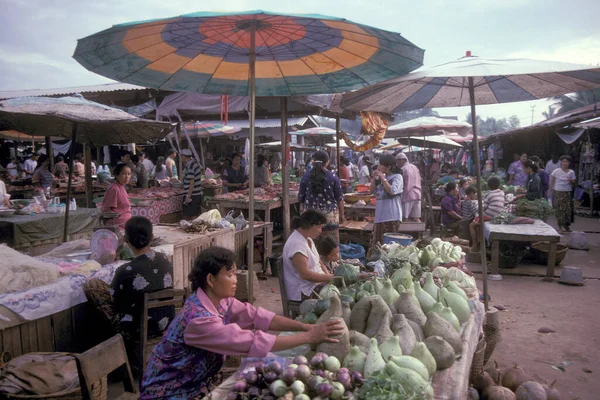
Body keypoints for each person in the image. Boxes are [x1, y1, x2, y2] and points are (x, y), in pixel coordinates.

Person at [141, 247, 344, 399]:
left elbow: (257, 316)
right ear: (211, 280)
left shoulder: (221, 301)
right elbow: (249, 341)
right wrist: (310, 336)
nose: (235, 280)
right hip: (171, 391)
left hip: (197, 382)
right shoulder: (198, 319)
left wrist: (304, 327)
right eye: (229, 275)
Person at [111, 217, 174, 348]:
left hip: (138, 329)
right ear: (152, 237)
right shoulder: (164, 259)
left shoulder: (125, 271)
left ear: (126, 241)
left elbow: (113, 300)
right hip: (166, 324)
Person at [283, 210, 335, 300]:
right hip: (305, 291)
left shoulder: (308, 239)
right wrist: (330, 278)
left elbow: (320, 263)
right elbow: (305, 275)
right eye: (319, 227)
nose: (321, 231)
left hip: (316, 284)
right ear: (309, 225)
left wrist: (329, 279)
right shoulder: (296, 244)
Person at [298, 150, 344, 241]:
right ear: (327, 162)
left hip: (310, 219)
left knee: (312, 248)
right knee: (331, 247)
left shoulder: (306, 176)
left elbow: (301, 199)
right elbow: (340, 199)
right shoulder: (333, 177)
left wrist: (302, 215)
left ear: (313, 161)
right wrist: (342, 216)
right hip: (330, 218)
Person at [370, 154, 403, 247]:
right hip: (379, 216)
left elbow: (392, 191)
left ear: (388, 167)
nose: (379, 167)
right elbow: (371, 190)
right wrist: (374, 178)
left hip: (391, 216)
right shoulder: (382, 178)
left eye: (381, 164)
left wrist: (383, 179)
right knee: (377, 245)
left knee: (389, 246)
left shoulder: (397, 177)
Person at [470, 176, 505, 252]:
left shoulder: (489, 194)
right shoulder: (502, 192)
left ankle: (475, 245)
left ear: (488, 186)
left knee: (472, 225)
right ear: (499, 185)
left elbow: (484, 208)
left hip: (490, 216)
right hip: (499, 215)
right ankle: (480, 243)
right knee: (479, 223)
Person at [548, 155, 576, 232]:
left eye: (566, 162)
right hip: (558, 192)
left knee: (567, 210)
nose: (564, 163)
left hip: (567, 193)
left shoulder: (571, 172)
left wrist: (571, 181)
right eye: (563, 161)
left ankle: (567, 226)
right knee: (559, 210)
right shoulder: (556, 171)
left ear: (569, 163)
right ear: (561, 163)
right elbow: (552, 181)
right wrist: (549, 191)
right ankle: (560, 227)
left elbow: (573, 182)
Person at [101, 163, 132, 229]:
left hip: (126, 224)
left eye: (129, 174)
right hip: (117, 226)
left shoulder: (122, 187)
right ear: (116, 175)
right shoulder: (114, 189)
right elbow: (106, 210)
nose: (127, 176)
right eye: (124, 174)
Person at [396, 153, 421, 222]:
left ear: (401, 160)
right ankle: (420, 231)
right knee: (416, 218)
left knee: (405, 218)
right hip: (417, 194)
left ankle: (406, 232)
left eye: (397, 161)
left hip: (408, 195)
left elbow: (402, 183)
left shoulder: (403, 169)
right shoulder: (414, 167)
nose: (397, 164)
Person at [181, 149, 202, 220]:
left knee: (190, 216)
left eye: (181, 156)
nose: (181, 158)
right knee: (194, 215)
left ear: (184, 157)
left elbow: (192, 182)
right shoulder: (194, 164)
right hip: (196, 194)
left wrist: (188, 196)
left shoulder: (190, 166)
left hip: (192, 195)